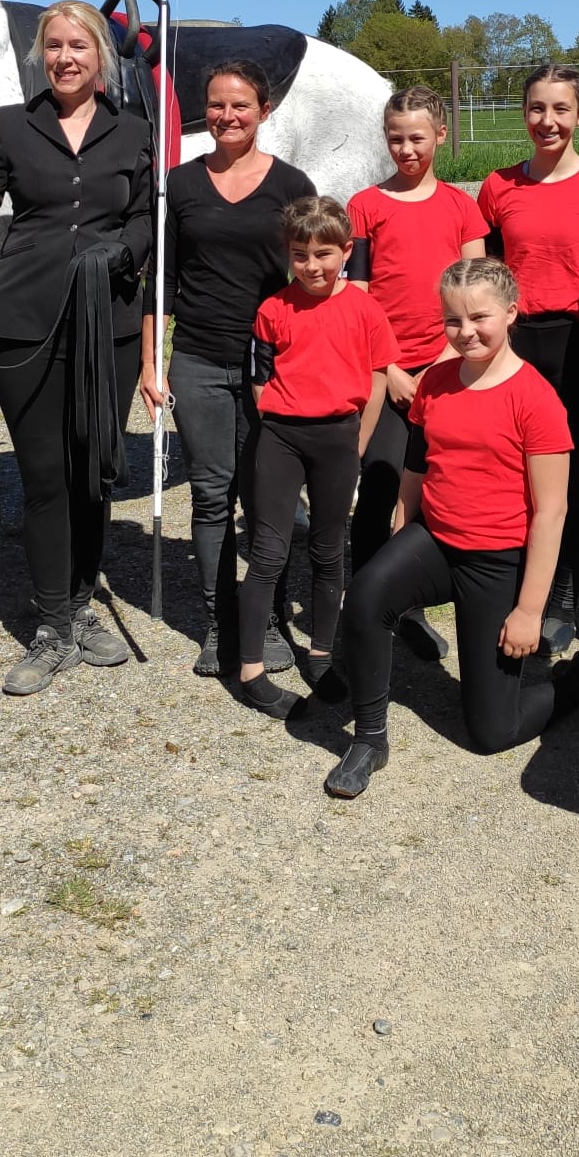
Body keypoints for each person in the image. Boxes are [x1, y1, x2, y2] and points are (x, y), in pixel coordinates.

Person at [0, 1, 153, 695]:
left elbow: (147, 218)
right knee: (46, 477)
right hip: (25, 322)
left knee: (94, 472)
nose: (65, 57)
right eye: (54, 46)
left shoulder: (133, 132)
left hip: (106, 325)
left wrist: (121, 252)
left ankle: (79, 606)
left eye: (79, 45)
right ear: (39, 56)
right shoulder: (9, 126)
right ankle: (53, 627)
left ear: (100, 56)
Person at [326, 258, 579, 799]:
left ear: (511, 313)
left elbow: (552, 512)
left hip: (496, 559)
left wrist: (529, 611)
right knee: (366, 594)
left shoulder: (536, 399)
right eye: (453, 320)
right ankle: (370, 738)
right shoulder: (436, 381)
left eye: (479, 317)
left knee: (492, 732)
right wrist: (402, 534)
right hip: (435, 540)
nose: (465, 331)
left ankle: (572, 680)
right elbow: (416, 467)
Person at [139, 61, 314, 676]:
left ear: (265, 110)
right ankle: (220, 622)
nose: (227, 116)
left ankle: (267, 618)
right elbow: (160, 280)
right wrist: (151, 361)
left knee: (268, 498)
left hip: (272, 367)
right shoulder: (179, 186)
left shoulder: (292, 184)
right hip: (198, 361)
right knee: (212, 496)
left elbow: (314, 274)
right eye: (216, 104)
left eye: (241, 105)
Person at [236, 197, 396, 718]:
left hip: (340, 438)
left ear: (346, 252)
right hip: (282, 439)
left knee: (328, 551)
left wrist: (358, 441)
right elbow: (259, 379)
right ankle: (251, 671)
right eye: (300, 255)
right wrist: (280, 422)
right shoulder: (273, 309)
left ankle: (322, 655)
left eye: (323, 254)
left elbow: (377, 378)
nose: (311, 266)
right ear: (288, 254)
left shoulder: (366, 310)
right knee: (268, 553)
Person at [479, 64, 579, 654]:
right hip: (516, 345)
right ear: (524, 114)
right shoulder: (497, 187)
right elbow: (486, 274)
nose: (548, 121)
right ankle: (514, 583)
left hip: (577, 345)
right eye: (537, 108)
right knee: (511, 471)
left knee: (568, 476)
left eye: (561, 109)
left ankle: (562, 594)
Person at [347, 86, 486, 663]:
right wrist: (391, 368)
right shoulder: (365, 206)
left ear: (441, 136)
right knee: (379, 486)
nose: (406, 149)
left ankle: (409, 604)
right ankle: (362, 604)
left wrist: (445, 363)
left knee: (428, 491)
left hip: (447, 370)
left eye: (417, 138)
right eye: (395, 138)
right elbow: (357, 297)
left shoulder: (461, 208)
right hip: (385, 374)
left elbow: (477, 292)